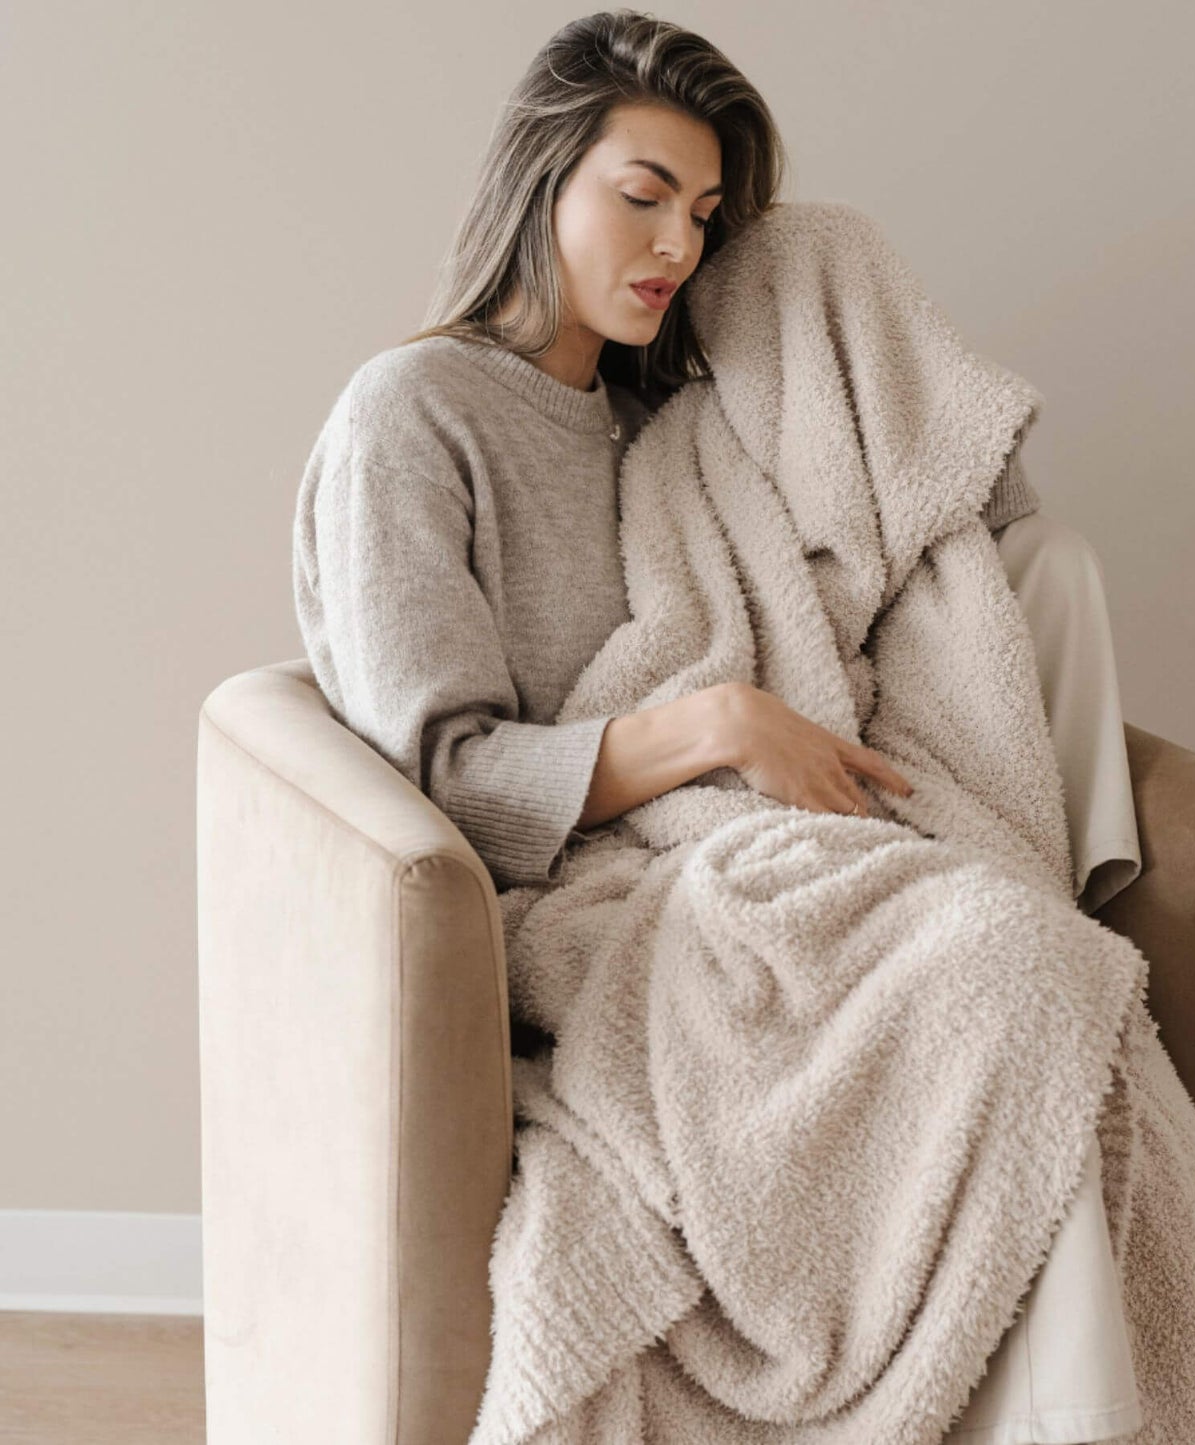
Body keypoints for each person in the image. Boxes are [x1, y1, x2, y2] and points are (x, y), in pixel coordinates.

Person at [292, 16, 1143, 1437]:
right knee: (1007, 967)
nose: (675, 248)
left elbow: (953, 520)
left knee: (1039, 671)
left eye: (699, 215)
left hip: (753, 845)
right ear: (538, 177)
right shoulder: (412, 414)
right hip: (590, 889)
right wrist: (715, 725)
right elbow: (443, 774)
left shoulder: (682, 419)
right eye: (639, 195)